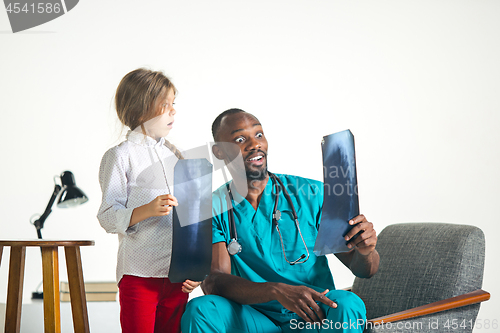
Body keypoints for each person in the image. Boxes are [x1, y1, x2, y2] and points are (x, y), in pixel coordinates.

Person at [181, 109, 380, 333]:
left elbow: (365, 269)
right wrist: (276, 290)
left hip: (312, 316)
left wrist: (365, 252)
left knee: (347, 303)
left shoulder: (311, 194)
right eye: (240, 139)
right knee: (202, 310)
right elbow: (214, 282)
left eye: (259, 135)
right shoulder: (212, 208)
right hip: (255, 319)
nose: (254, 144)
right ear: (219, 152)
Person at [97, 68, 200, 333]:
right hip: (138, 274)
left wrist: (196, 268)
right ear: (141, 110)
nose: (173, 111)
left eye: (173, 104)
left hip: (177, 276)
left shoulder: (176, 155)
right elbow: (108, 215)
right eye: (165, 106)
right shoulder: (120, 156)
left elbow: (191, 220)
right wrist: (147, 209)